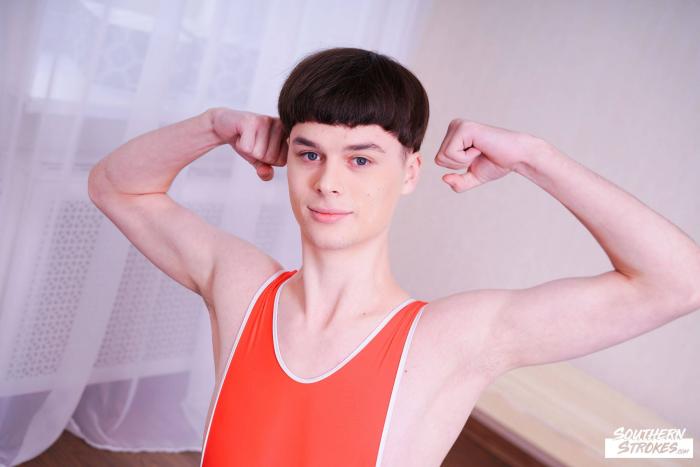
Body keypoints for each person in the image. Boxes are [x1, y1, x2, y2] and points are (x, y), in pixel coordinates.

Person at [87, 47, 700, 466]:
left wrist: (534, 157)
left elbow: (678, 281)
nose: (328, 182)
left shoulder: (447, 339)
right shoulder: (242, 289)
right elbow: (116, 186)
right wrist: (213, 126)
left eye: (360, 159)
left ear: (409, 173)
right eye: (309, 153)